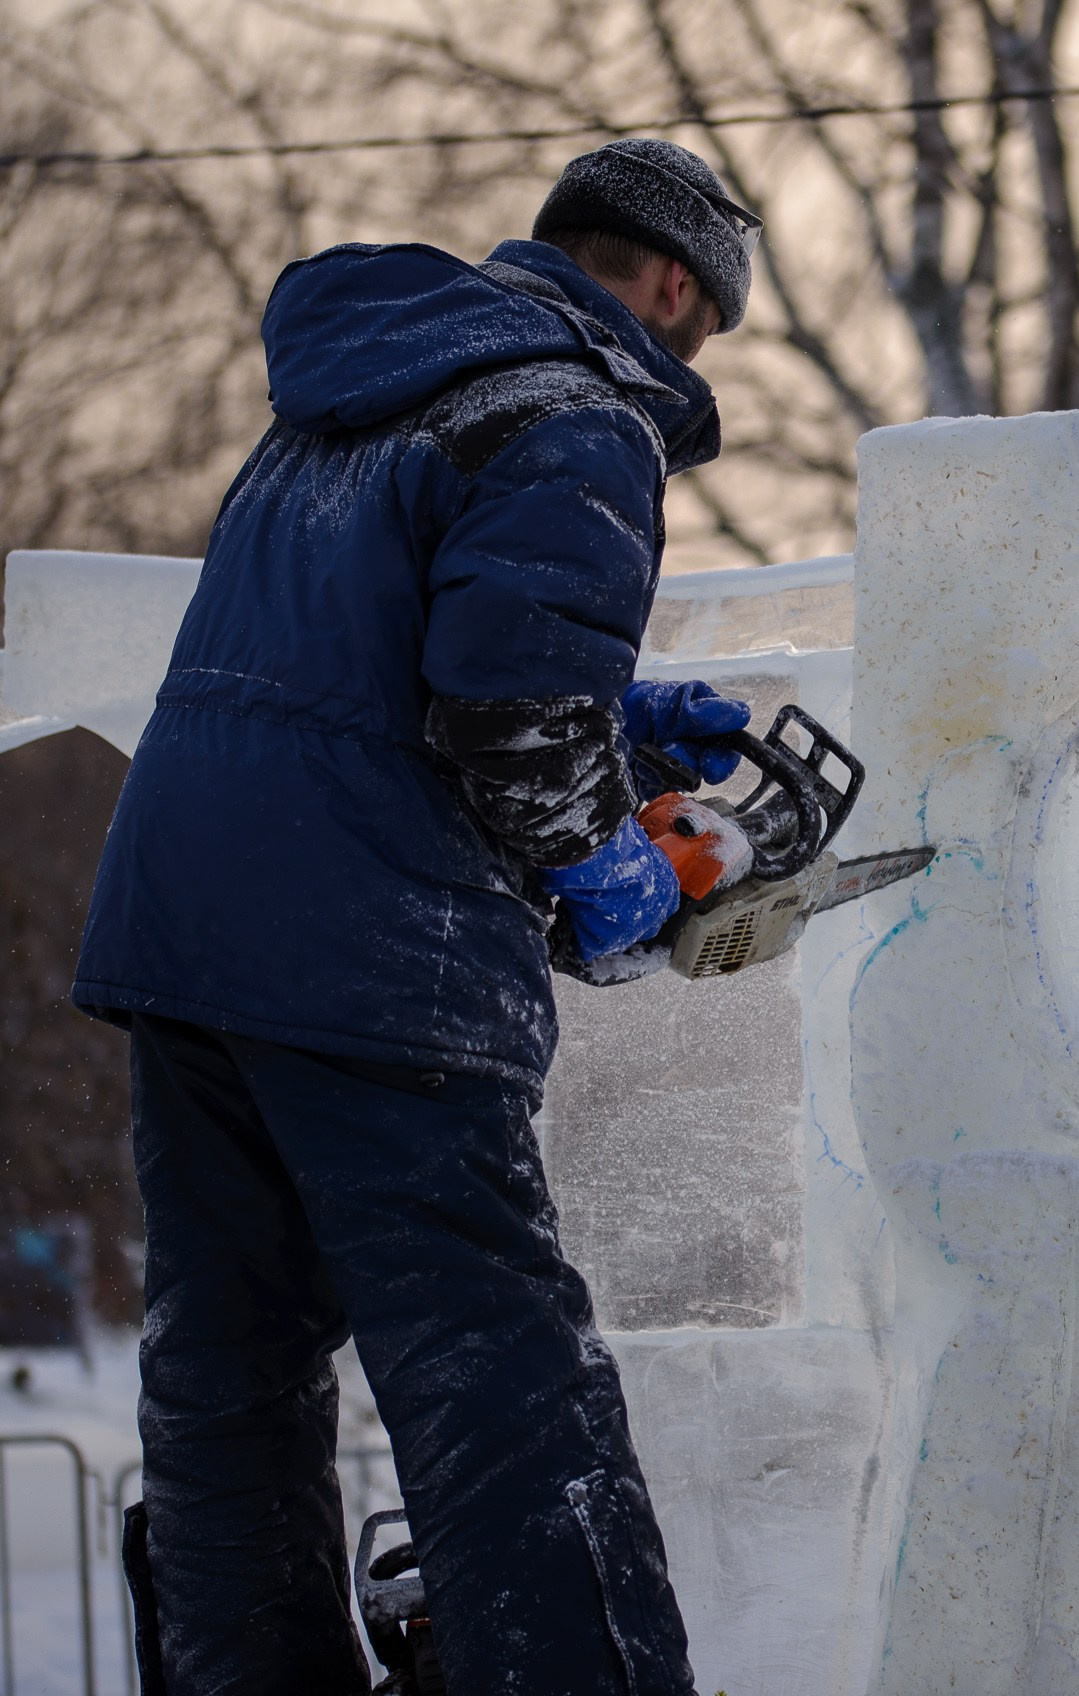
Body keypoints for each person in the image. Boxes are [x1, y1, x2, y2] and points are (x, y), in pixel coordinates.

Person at [71, 138, 765, 1696]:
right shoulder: (582, 416)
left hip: (187, 933)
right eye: (707, 324)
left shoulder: (350, 395)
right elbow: (510, 714)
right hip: (378, 956)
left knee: (230, 1367)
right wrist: (614, 870)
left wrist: (625, 717)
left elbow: (377, 663)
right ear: (673, 284)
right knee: (501, 1373)